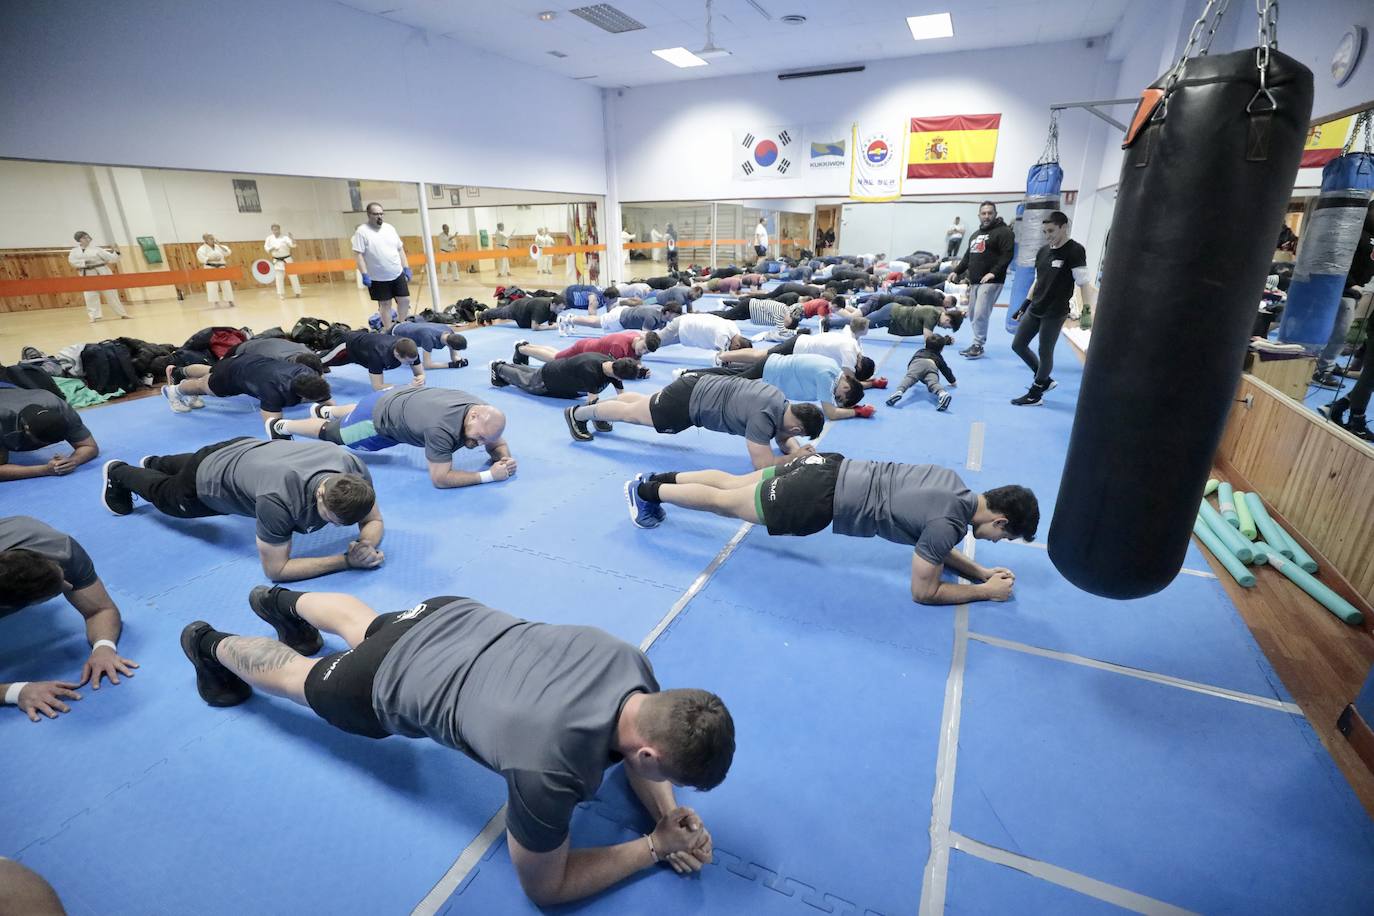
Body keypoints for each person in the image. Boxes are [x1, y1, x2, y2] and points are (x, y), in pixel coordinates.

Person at [177, 586, 732, 905]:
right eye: (669, 777)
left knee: (365, 623)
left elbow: (643, 748)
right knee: (296, 676)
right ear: (650, 757)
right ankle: (207, 643)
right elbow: (547, 887)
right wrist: (653, 847)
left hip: (450, 614)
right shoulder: (550, 767)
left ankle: (279, 600)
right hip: (381, 681)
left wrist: (668, 813)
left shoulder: (632, 664)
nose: (665, 784)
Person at [624, 456, 1037, 606]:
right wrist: (986, 592)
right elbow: (923, 592)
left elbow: (934, 544)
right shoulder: (949, 524)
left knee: (732, 483)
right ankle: (644, 492)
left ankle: (657, 478)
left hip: (827, 465)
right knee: (723, 502)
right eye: (1005, 536)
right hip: (813, 499)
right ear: (1000, 521)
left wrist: (980, 573)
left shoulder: (951, 481)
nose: (998, 541)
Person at [100, 438, 384, 582]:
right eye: (331, 519)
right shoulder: (279, 499)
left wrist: (365, 545)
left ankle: (156, 463)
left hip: (243, 448)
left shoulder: (352, 467)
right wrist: (347, 562)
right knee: (168, 498)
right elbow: (276, 570)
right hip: (208, 481)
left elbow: (374, 520)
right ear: (320, 493)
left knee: (200, 462)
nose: (334, 527)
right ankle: (120, 472)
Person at [0, 515, 138, 721]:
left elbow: (100, 610)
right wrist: (14, 692)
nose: (70, 586)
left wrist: (104, 647)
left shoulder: (59, 549)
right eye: (57, 590)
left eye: (63, 576)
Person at [270, 387, 515, 489]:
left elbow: (495, 441)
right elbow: (440, 478)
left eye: (484, 440)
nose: (481, 444)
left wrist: (504, 458)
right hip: (378, 419)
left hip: (396, 395)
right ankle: (283, 426)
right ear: (473, 416)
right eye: (480, 438)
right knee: (333, 434)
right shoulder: (441, 429)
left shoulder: (481, 413)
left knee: (357, 411)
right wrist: (489, 476)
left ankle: (327, 410)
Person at [565, 374, 824, 469]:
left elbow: (783, 437)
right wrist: (795, 458)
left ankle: (598, 412)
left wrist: (796, 449)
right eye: (798, 434)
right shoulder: (763, 419)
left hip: (695, 385)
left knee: (641, 404)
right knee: (631, 414)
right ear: (797, 428)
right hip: (685, 405)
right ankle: (577, 414)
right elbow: (762, 464)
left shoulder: (779, 400)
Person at [1009, 211, 1089, 405]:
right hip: (1036, 307)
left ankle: (1036, 393)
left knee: (1045, 351)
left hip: (1055, 312)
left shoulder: (1075, 250)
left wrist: (1086, 311)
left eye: (1051, 231)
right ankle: (1044, 380)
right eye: (1045, 231)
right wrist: (1024, 305)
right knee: (1018, 345)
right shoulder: (1043, 251)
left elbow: (1083, 283)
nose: (1047, 235)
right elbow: (1038, 280)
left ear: (1064, 227)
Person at [678, 351, 871, 422]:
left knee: (730, 375)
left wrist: (870, 384)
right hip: (770, 372)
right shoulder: (827, 378)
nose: (834, 398)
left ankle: (688, 373)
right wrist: (856, 412)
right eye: (839, 398)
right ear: (846, 388)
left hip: (772, 366)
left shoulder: (834, 369)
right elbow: (831, 413)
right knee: (727, 382)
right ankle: (690, 377)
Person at [1312, 202, 1374, 389]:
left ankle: (1325, 363)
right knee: (1338, 330)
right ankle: (1321, 369)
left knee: (1339, 330)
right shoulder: (1354, 231)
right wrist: (1350, 283)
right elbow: (1338, 258)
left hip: (1356, 291)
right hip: (1340, 287)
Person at [163, 354, 331, 421]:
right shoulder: (273, 392)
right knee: (205, 386)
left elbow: (327, 400)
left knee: (213, 370)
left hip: (250, 360)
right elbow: (273, 424)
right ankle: (174, 391)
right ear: (303, 396)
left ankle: (179, 371)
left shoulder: (308, 373)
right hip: (235, 374)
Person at [951, 202, 1014, 359]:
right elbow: (967, 257)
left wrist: (993, 273)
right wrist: (956, 271)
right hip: (975, 281)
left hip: (992, 281)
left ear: (995, 214)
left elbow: (1007, 255)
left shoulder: (1004, 232)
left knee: (980, 313)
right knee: (973, 313)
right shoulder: (975, 235)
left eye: (990, 213)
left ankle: (978, 345)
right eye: (983, 213)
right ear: (979, 215)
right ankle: (976, 343)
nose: (986, 216)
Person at [0, 389, 100, 482]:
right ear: (26, 430)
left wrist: (73, 460)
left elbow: (89, 446)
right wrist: (44, 470)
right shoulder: (3, 422)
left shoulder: (60, 409)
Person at [490, 353, 641, 413]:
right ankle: (498, 368)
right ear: (618, 376)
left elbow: (622, 395)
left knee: (530, 374)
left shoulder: (612, 364)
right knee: (527, 382)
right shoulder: (591, 372)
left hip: (560, 370)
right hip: (549, 378)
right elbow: (592, 405)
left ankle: (506, 365)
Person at [352, 203, 412, 332]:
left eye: (381, 213)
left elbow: (400, 249)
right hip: (377, 277)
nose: (379, 216)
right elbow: (358, 254)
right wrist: (364, 274)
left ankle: (400, 325)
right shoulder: (362, 231)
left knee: (405, 300)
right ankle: (389, 330)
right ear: (369, 215)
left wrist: (406, 267)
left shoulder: (390, 228)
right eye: (376, 214)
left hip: (396, 272)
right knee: (385, 304)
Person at [323, 330, 424, 391]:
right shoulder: (378, 355)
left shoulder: (410, 350)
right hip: (348, 345)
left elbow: (420, 373)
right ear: (397, 354)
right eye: (408, 362)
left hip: (366, 347)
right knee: (320, 361)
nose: (412, 363)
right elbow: (378, 387)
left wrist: (421, 377)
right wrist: (408, 387)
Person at [886, 334, 957, 411]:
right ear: (941, 349)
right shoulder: (939, 357)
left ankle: (899, 391)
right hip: (932, 365)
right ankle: (942, 394)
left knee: (910, 378)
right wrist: (953, 381)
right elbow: (946, 370)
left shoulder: (920, 351)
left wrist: (910, 370)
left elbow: (911, 362)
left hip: (917, 362)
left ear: (925, 344)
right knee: (933, 383)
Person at [67, 231, 127, 322]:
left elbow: (112, 258)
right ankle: (95, 317)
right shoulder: (74, 251)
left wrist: (117, 252)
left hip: (101, 273)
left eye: (88, 237)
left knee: (111, 294)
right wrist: (85, 263)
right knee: (90, 296)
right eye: (84, 237)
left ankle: (123, 314)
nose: (87, 239)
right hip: (87, 274)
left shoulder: (97, 249)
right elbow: (72, 262)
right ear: (79, 240)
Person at [513, 330, 661, 366]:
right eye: (643, 347)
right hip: (584, 349)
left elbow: (637, 359)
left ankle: (527, 345)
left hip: (590, 345)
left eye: (646, 351)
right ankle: (521, 349)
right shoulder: (619, 346)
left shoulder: (637, 340)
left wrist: (640, 368)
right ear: (641, 338)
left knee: (557, 354)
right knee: (554, 359)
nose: (642, 352)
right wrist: (637, 371)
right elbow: (614, 369)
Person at [560, 302, 680, 335]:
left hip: (625, 312)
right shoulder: (652, 318)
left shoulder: (661, 310)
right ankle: (567, 320)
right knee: (594, 323)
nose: (676, 318)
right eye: (675, 315)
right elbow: (644, 335)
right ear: (668, 313)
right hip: (618, 318)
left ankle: (572, 318)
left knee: (596, 321)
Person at [389, 321, 470, 369]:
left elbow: (454, 357)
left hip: (406, 324)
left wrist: (459, 360)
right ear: (450, 346)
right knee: (404, 360)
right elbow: (427, 365)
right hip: (394, 334)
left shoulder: (450, 332)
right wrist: (449, 365)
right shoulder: (428, 338)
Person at [656, 313, 751, 353]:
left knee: (656, 341)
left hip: (687, 326)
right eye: (735, 351)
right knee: (653, 343)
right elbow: (722, 357)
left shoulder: (736, 330)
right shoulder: (722, 335)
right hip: (682, 327)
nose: (733, 351)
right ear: (737, 345)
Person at [706, 296, 802, 335]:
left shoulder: (786, 310)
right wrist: (797, 331)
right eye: (787, 322)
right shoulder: (781, 312)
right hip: (749, 307)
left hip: (751, 311)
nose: (783, 322)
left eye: (786, 324)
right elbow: (782, 331)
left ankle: (718, 308)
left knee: (730, 316)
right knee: (727, 316)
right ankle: (706, 315)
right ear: (790, 317)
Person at [478, 295, 560, 331]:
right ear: (553, 304)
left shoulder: (555, 309)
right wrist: (550, 328)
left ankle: (487, 316)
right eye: (560, 308)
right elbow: (534, 327)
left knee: (500, 312)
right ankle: (481, 315)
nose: (561, 310)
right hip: (518, 309)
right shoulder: (540, 308)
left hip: (526, 310)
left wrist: (554, 325)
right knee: (501, 313)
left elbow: (552, 323)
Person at [197, 233, 235, 309]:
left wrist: (219, 245)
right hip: (210, 267)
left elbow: (228, 252)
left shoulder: (218, 246)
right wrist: (212, 259)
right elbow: (201, 258)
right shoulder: (202, 249)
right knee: (212, 285)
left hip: (221, 267)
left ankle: (230, 300)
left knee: (226, 283)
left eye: (213, 238)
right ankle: (215, 302)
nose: (213, 240)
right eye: (211, 239)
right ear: (206, 240)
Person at [264, 224, 302, 299]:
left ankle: (297, 292)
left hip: (287, 260)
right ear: (272, 230)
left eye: (277, 229)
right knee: (279, 278)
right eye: (274, 229)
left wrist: (292, 238)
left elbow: (293, 245)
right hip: (277, 261)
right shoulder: (269, 238)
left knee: (293, 276)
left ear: (279, 229)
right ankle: (281, 294)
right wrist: (272, 248)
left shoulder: (285, 238)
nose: (276, 231)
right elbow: (266, 248)